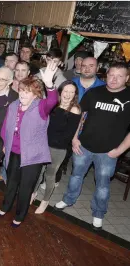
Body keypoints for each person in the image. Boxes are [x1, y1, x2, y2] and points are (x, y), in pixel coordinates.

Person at [55, 62, 130, 230]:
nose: (114, 79)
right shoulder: (94, 93)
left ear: (127, 78)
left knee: (103, 185)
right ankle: (68, 199)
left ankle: (98, 213)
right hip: (84, 146)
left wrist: (119, 151)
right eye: (111, 74)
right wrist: (75, 138)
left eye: (119, 76)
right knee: (75, 176)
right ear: (106, 74)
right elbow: (80, 116)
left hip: (108, 152)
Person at [0, 62, 59, 227]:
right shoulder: (13, 106)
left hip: (32, 156)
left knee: (25, 187)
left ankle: (20, 214)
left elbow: (53, 100)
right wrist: (4, 144)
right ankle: (6, 206)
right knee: (11, 182)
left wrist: (49, 85)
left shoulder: (41, 107)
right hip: (13, 152)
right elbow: (5, 127)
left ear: (35, 94)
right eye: (22, 90)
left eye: (28, 91)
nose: (23, 94)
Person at [31, 81, 81, 214]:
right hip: (43, 144)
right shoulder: (53, 104)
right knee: (38, 171)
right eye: (66, 91)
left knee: (49, 175)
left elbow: (68, 134)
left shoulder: (75, 109)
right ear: (60, 91)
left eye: (72, 92)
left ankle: (45, 201)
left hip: (58, 149)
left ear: (75, 94)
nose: (68, 94)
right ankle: (33, 192)